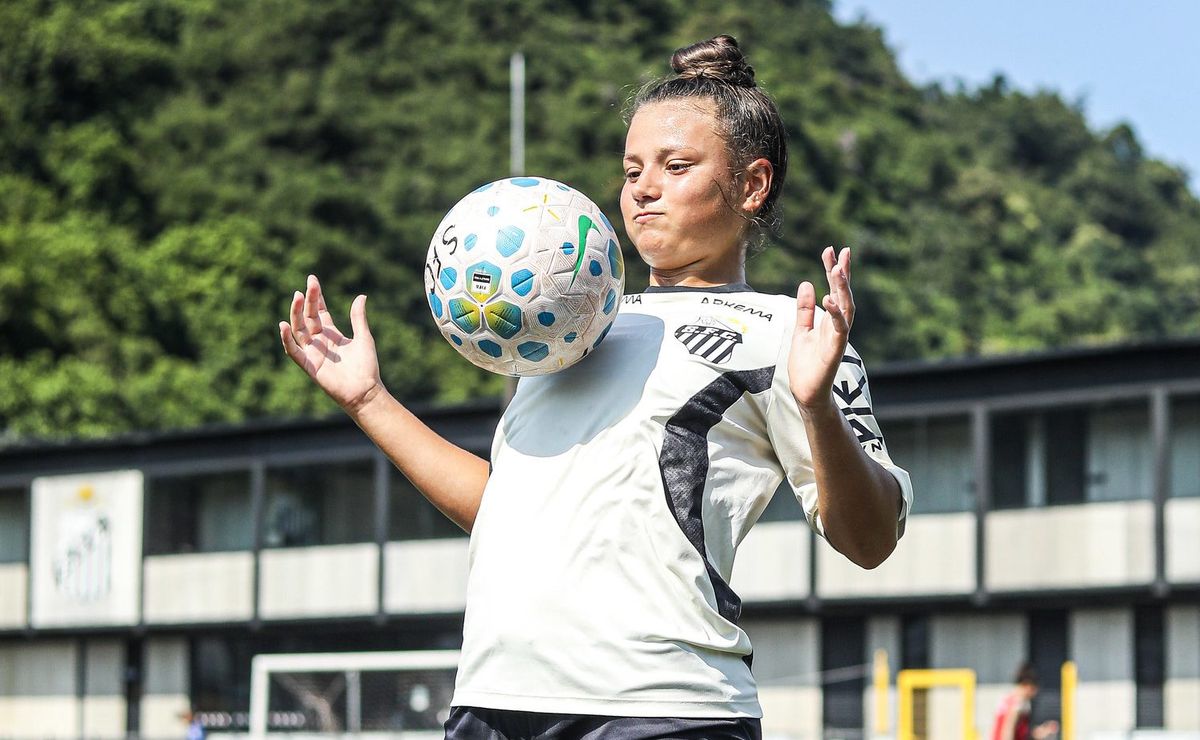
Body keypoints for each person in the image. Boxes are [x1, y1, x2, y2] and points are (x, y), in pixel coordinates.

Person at [280, 35, 912, 740]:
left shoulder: (788, 332)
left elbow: (871, 537)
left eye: (676, 167)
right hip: (493, 700)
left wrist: (818, 405)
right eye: (632, 168)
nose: (642, 188)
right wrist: (370, 401)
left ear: (752, 184)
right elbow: (504, 510)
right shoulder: (568, 328)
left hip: (661, 709)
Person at [990, 663, 1060, 740]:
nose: (1035, 693)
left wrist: (1043, 730)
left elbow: (1023, 733)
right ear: (1028, 685)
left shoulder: (1012, 699)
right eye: (1035, 689)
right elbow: (1007, 731)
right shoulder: (1017, 702)